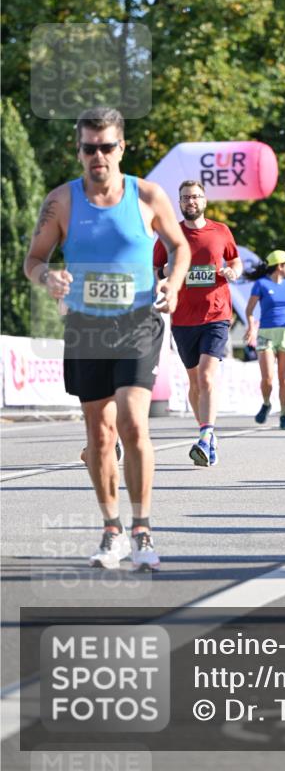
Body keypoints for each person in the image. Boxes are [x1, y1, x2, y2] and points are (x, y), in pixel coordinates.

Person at [24, 107, 190, 571]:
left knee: (134, 423)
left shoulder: (148, 195)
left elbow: (180, 246)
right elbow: (34, 259)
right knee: (99, 436)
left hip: (138, 322)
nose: (98, 156)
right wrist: (47, 277)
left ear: (121, 148)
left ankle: (142, 530)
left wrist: (174, 283)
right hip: (86, 326)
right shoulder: (61, 201)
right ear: (78, 151)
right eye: (89, 148)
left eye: (107, 147)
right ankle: (112, 529)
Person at [153, 180, 243, 468]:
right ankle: (207, 432)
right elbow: (156, 270)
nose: (190, 201)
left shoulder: (221, 231)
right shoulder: (170, 234)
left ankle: (204, 438)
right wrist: (166, 270)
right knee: (194, 383)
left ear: (204, 200)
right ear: (179, 203)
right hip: (182, 317)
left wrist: (233, 272)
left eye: (195, 196)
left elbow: (235, 260)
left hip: (216, 314)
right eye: (185, 197)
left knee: (206, 376)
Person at [244, 251, 285, 430]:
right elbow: (249, 310)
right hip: (266, 332)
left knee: (284, 378)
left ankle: (283, 415)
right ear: (280, 266)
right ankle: (266, 403)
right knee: (267, 377)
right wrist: (251, 327)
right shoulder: (261, 284)